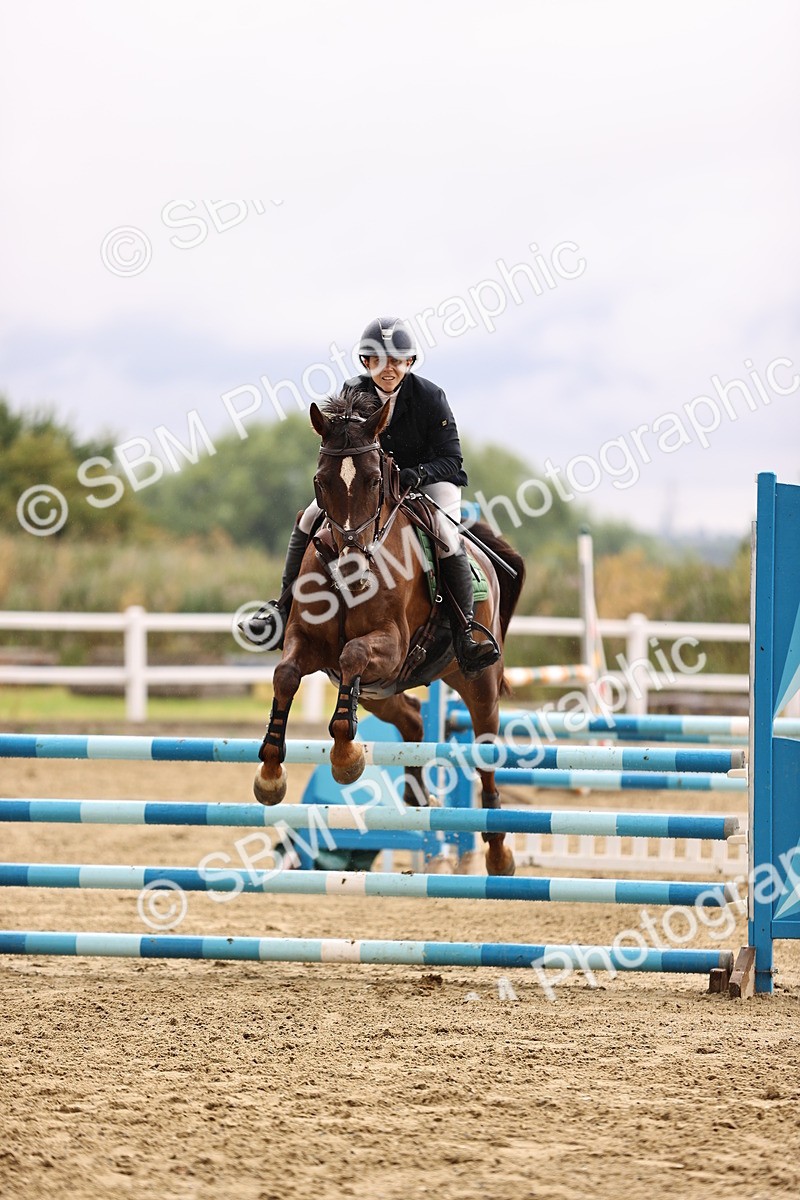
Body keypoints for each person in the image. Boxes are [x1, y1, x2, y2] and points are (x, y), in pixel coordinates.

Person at [250, 316, 500, 674]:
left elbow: (452, 461)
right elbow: (341, 445)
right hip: (371, 487)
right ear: (366, 363)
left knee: (446, 534)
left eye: (398, 361)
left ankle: (466, 633)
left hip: (427, 482)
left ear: (409, 363)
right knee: (307, 518)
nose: (389, 368)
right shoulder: (354, 391)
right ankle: (281, 607)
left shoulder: (430, 397)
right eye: (380, 360)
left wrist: (417, 474)